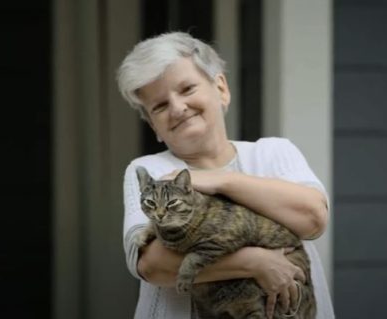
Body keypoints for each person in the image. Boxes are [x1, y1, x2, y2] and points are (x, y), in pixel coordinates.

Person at [117, 32, 335, 319]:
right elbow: (152, 265)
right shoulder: (150, 171)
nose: (178, 107)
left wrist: (222, 180)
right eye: (159, 106)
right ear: (154, 127)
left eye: (186, 89)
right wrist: (255, 262)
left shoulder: (273, 152)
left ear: (221, 88)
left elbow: (312, 220)